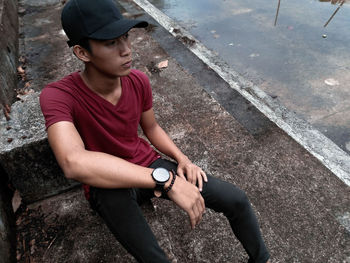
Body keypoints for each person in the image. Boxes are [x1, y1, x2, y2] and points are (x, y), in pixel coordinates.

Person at [39, 0, 270, 262]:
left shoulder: (138, 80)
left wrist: (182, 160)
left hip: (149, 165)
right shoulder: (58, 95)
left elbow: (151, 127)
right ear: (82, 52)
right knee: (154, 257)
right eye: (111, 42)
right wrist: (167, 182)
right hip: (109, 183)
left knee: (236, 199)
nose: (127, 50)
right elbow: (73, 162)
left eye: (126, 37)